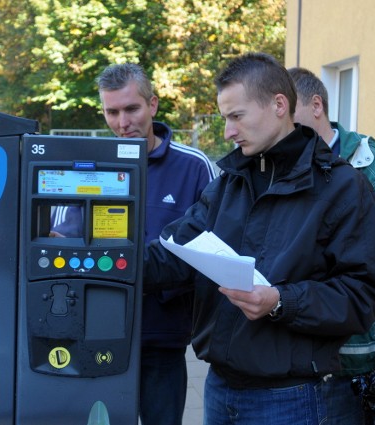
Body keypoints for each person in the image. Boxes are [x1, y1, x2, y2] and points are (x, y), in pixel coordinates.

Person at [142, 52, 375, 425]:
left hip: (290, 399)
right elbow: (173, 255)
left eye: (236, 116)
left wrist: (281, 301)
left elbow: (363, 295)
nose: (227, 131)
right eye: (226, 118)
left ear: (278, 105)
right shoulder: (227, 183)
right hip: (219, 388)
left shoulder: (340, 187)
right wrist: (106, 261)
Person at [288, 66, 375, 425]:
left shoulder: (371, 168)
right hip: (294, 366)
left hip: (351, 369)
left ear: (316, 105)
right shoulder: (283, 167)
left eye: (289, 113)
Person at [96, 62, 216, 425]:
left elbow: (211, 248)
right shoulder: (89, 165)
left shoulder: (194, 168)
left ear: (153, 105)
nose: (122, 122)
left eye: (131, 108)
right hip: (99, 332)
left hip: (163, 337)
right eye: (111, 112)